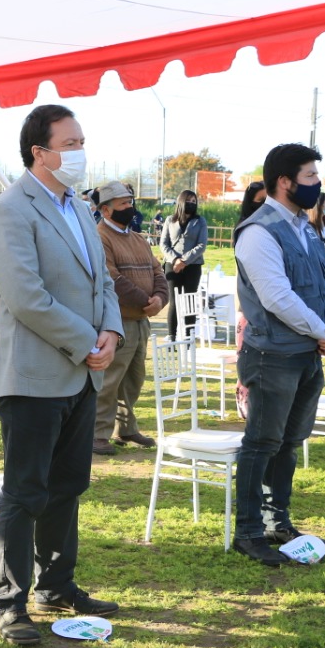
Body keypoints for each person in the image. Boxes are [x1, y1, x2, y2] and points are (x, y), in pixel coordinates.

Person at [0, 104, 123, 646]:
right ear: (39, 152)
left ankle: (56, 585)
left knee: (68, 486)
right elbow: (26, 297)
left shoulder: (79, 209)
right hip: (34, 376)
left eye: (81, 141)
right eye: (70, 144)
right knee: (25, 493)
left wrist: (110, 331)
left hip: (82, 374)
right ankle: (10, 603)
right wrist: (86, 341)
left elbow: (102, 281)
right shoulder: (11, 211)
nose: (80, 152)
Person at [231, 144, 325, 566]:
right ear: (284, 181)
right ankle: (248, 532)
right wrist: (321, 331)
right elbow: (276, 296)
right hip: (272, 356)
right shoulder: (258, 232)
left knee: (289, 443)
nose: (317, 184)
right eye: (310, 176)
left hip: (307, 354)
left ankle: (277, 520)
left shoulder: (307, 229)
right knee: (261, 443)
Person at [91, 180, 167, 456]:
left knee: (133, 378)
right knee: (109, 380)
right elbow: (112, 278)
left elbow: (158, 271)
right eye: (123, 204)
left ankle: (125, 428)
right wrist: (145, 301)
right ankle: (97, 434)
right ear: (106, 210)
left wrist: (160, 298)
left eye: (130, 202)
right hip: (116, 322)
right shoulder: (99, 237)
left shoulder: (138, 239)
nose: (129, 208)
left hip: (140, 320)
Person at [233, 181, 267, 420]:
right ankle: (244, 401)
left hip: (268, 306)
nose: (264, 206)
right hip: (248, 305)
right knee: (245, 357)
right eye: (260, 201)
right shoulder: (245, 231)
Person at [161, 189, 207, 340]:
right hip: (172, 265)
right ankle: (171, 335)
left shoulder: (200, 221)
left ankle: (189, 336)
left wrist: (185, 261)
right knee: (174, 300)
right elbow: (163, 244)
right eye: (188, 201)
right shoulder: (169, 220)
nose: (191, 204)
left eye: (194, 201)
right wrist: (175, 260)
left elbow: (202, 245)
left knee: (189, 300)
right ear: (181, 202)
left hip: (193, 266)